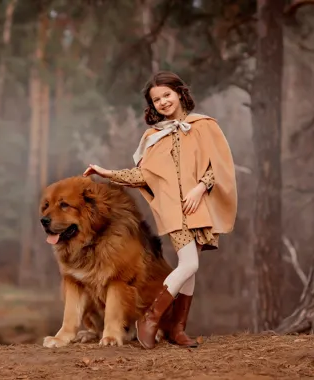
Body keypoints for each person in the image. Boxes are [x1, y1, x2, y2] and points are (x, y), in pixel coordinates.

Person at [82, 71, 238, 350]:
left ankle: (178, 329)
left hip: (198, 206)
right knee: (189, 263)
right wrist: (105, 172)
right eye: (156, 100)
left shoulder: (204, 125)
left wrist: (200, 188)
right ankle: (151, 317)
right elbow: (142, 175)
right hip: (172, 210)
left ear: (179, 93)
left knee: (190, 269)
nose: (163, 102)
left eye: (167, 95)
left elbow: (220, 165)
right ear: (152, 106)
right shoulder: (153, 137)